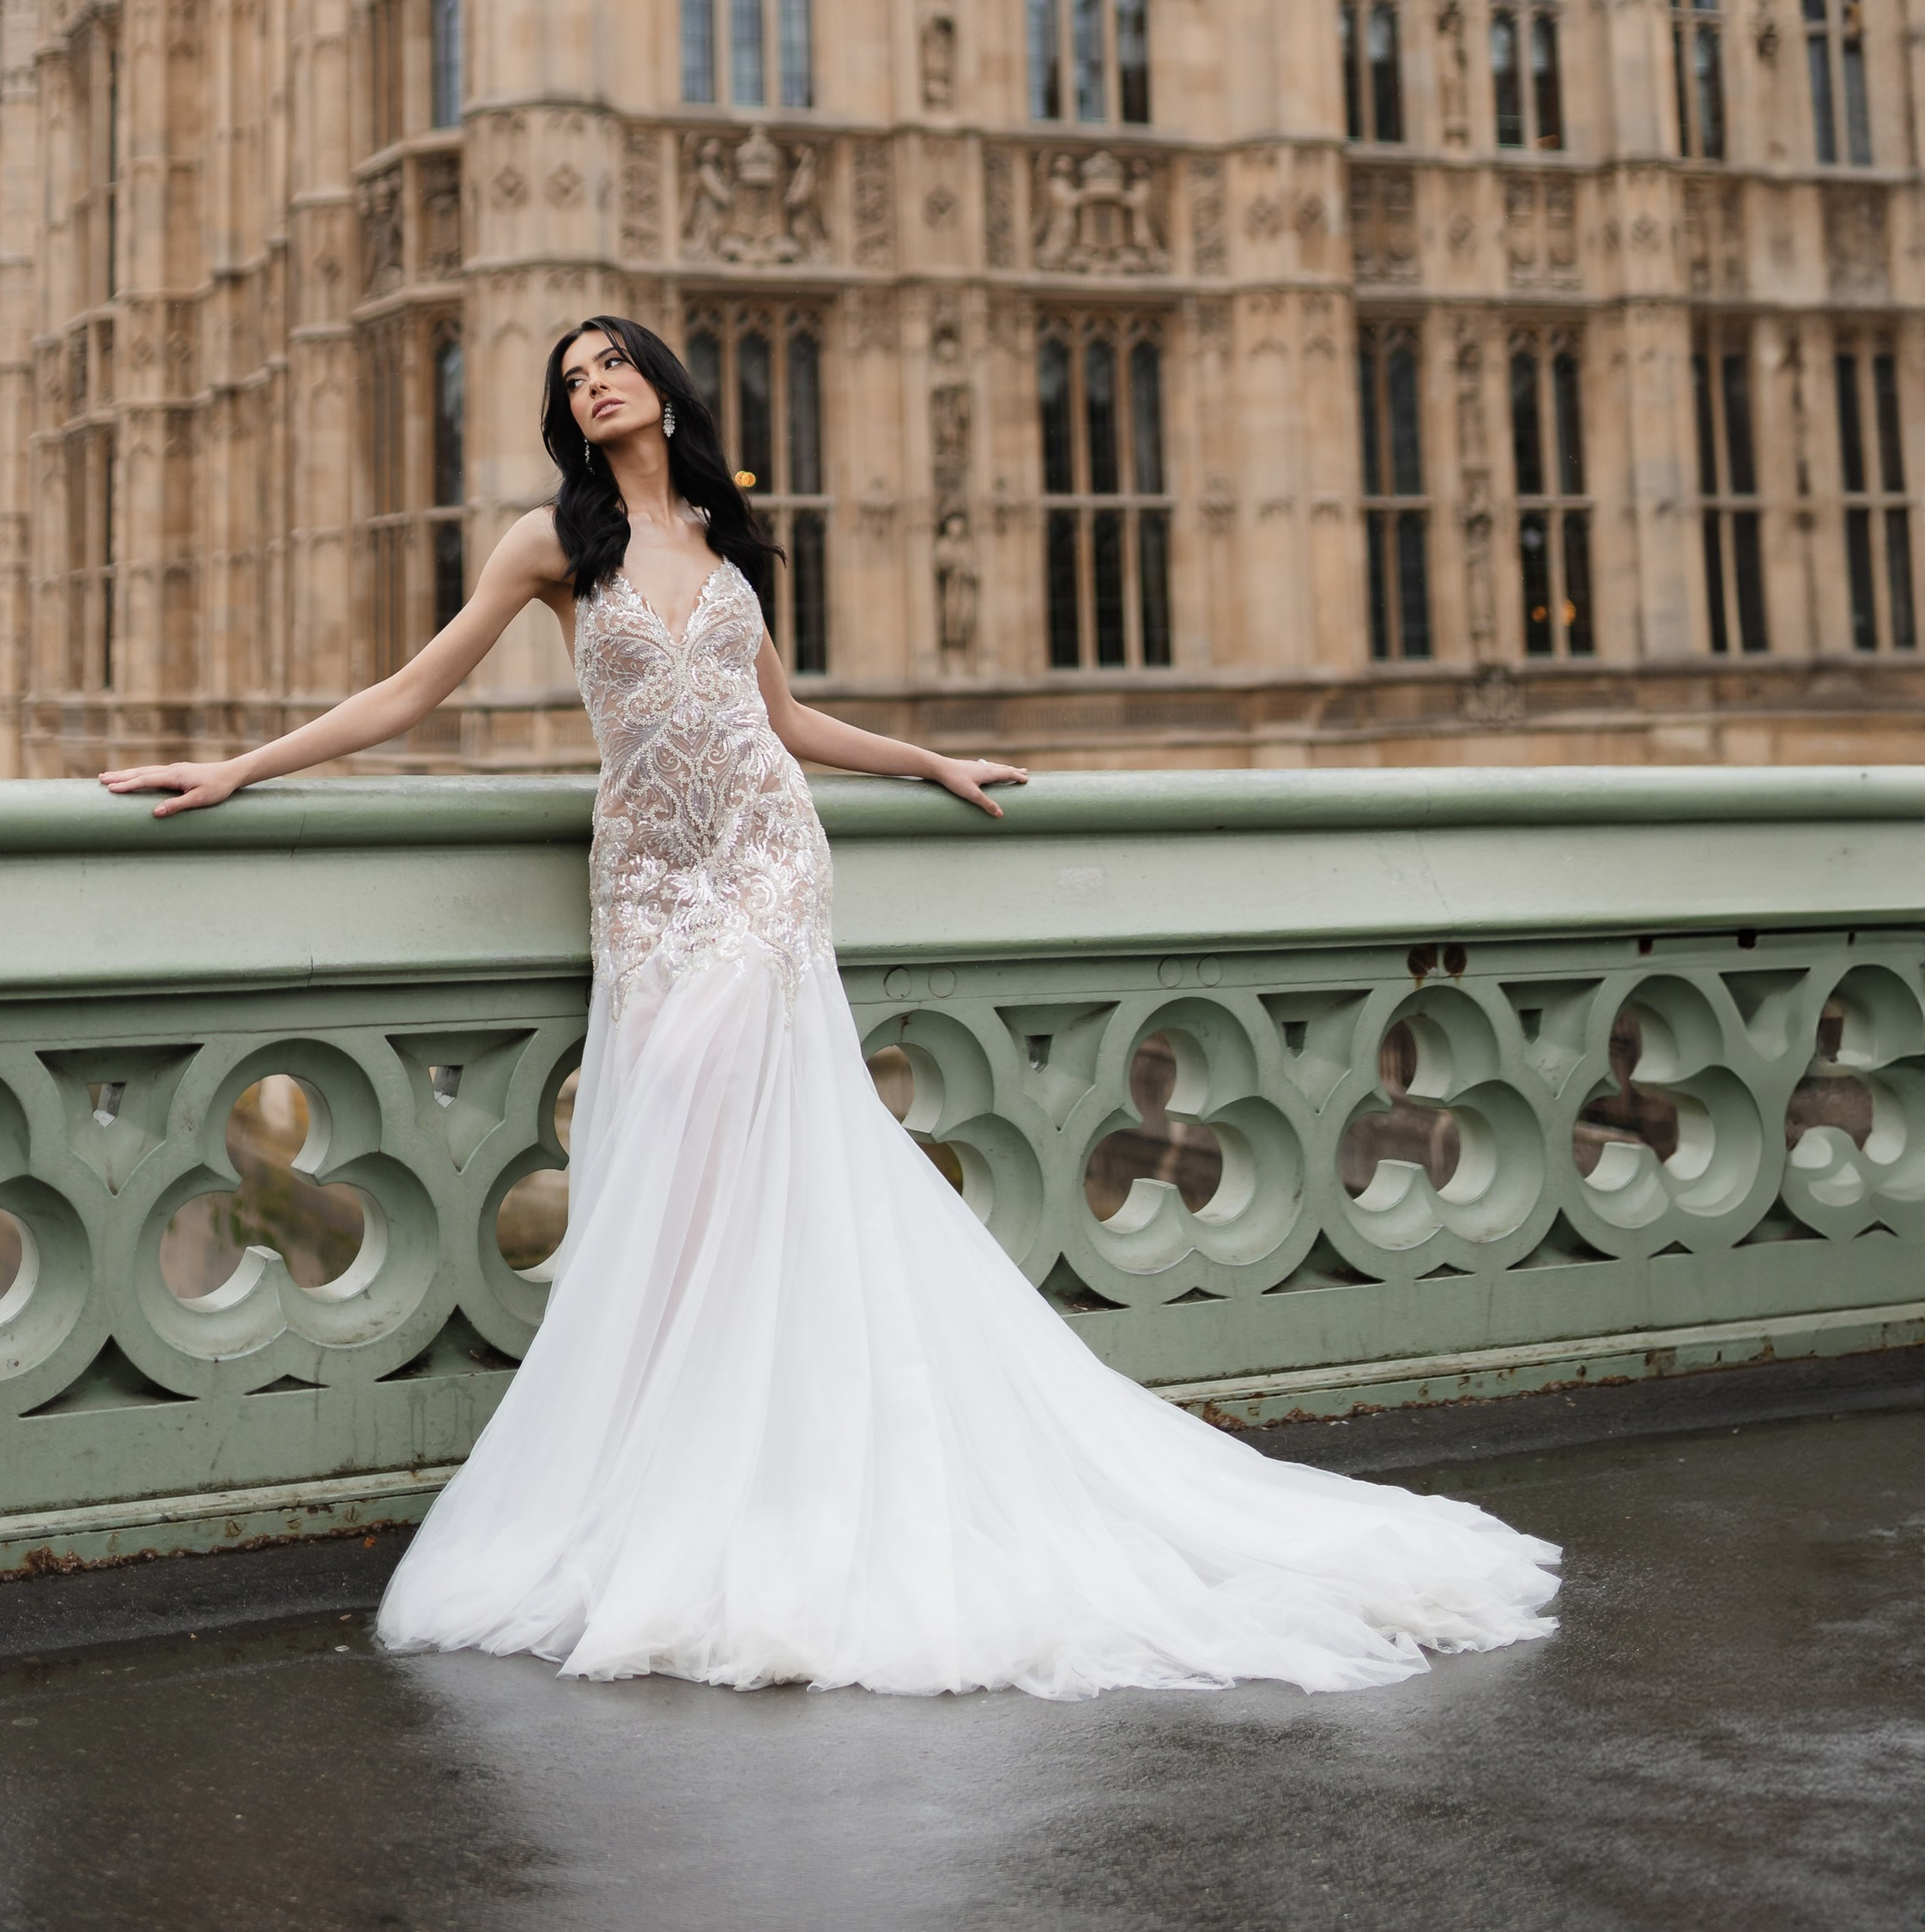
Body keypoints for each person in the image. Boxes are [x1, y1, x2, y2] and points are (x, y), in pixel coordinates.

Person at [101, 315, 1558, 1698]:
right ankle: (698, 1450)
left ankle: (744, 1455)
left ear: (663, 391)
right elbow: (413, 690)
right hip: (651, 885)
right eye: (574, 376)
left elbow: (783, 721)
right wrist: (239, 767)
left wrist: (928, 761)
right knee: (682, 1151)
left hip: (770, 861)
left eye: (616, 364)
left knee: (726, 1135)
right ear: (567, 419)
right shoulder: (554, 543)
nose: (598, 383)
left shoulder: (724, 540)